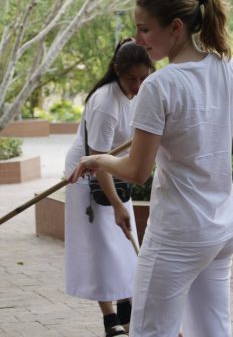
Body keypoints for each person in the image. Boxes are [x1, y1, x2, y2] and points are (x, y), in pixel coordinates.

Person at [68, 0, 233, 337]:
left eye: (145, 29)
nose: (139, 40)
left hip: (178, 234)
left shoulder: (159, 85)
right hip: (223, 228)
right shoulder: (229, 69)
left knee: (150, 332)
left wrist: (97, 161)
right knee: (212, 330)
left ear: (176, 27)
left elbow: (136, 170)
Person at [63, 37, 154, 337]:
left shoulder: (139, 93)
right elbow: (96, 161)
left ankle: (128, 305)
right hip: (87, 177)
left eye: (143, 78)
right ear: (116, 70)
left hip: (116, 171)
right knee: (101, 246)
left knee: (123, 241)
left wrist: (119, 200)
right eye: (131, 78)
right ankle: (110, 319)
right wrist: (116, 205)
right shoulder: (104, 103)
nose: (137, 85)